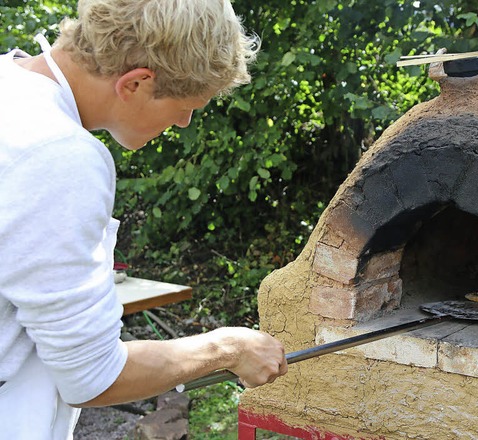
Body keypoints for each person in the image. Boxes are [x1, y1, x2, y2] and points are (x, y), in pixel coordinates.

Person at [0, 0, 288, 437]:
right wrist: (228, 347)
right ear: (135, 83)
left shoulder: (11, 87)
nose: (185, 121)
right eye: (187, 105)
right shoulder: (58, 155)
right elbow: (92, 376)